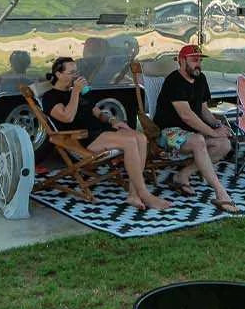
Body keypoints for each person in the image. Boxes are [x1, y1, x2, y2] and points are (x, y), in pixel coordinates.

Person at [40, 56, 172, 211]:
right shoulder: (50, 97)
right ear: (58, 74)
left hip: (101, 130)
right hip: (82, 138)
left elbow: (97, 111)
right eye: (71, 73)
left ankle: (133, 194)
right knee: (130, 142)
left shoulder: (79, 91)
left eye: (76, 72)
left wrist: (112, 120)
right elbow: (67, 117)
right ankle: (144, 194)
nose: (76, 76)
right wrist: (75, 92)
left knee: (140, 138)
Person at [154, 45, 241, 213]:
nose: (198, 64)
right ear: (182, 61)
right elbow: (186, 115)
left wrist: (217, 125)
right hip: (167, 133)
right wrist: (212, 132)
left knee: (224, 144)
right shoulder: (173, 81)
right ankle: (221, 193)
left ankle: (182, 175)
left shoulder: (201, 79)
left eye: (200, 60)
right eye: (194, 60)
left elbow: (203, 110)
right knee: (198, 140)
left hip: (192, 133)